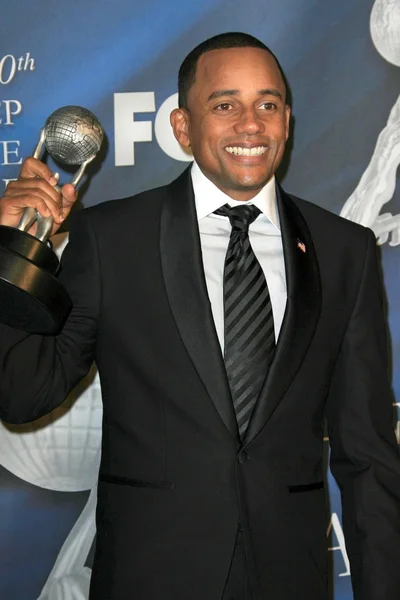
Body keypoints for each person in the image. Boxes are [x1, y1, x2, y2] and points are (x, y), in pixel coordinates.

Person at [0, 32, 399, 600]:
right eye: (224, 105)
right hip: (150, 578)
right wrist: (12, 250)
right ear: (184, 128)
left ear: (287, 119)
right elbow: (24, 392)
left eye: (268, 104)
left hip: (291, 579)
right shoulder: (112, 237)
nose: (250, 124)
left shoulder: (345, 250)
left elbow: (369, 457)